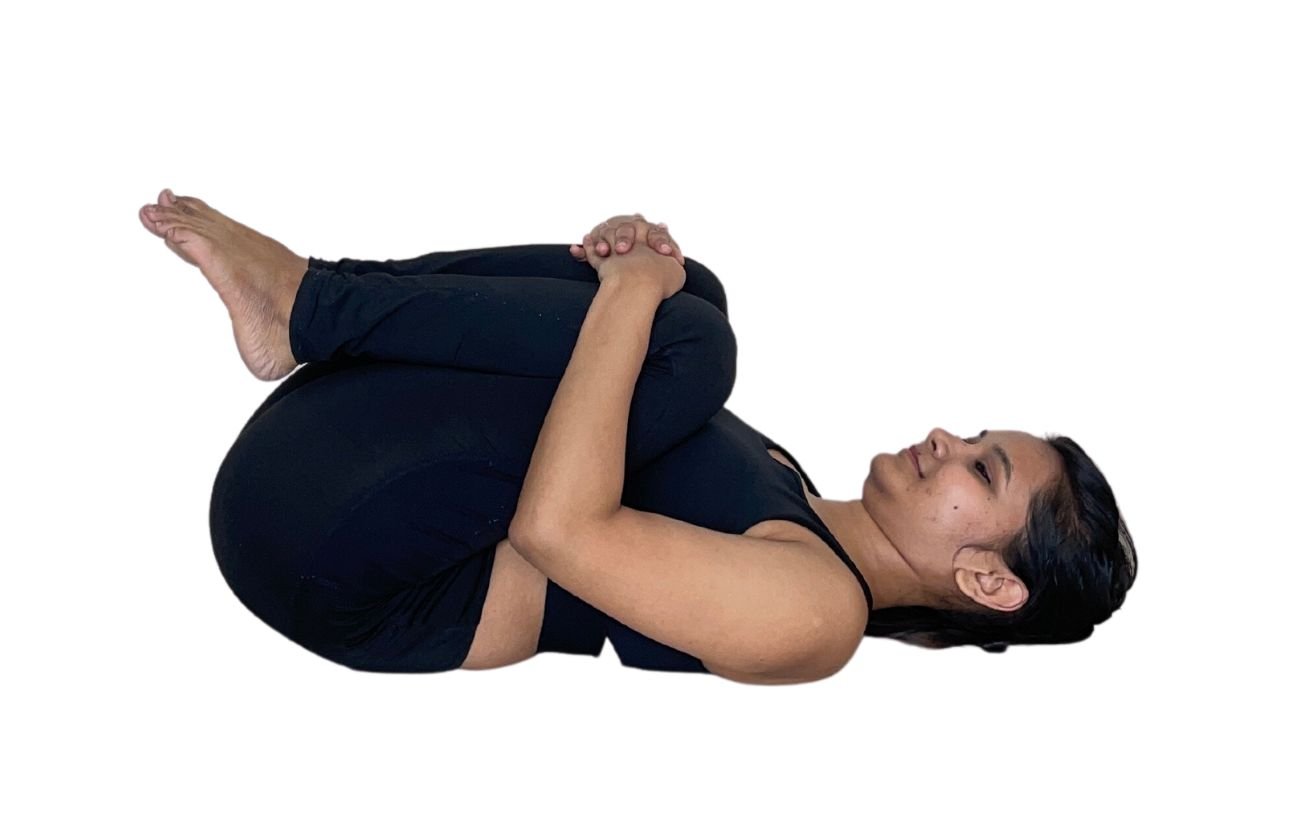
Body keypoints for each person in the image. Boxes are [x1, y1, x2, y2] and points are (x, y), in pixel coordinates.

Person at [139, 189, 1138, 683]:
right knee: (694, 300)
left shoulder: (818, 615)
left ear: (989, 581)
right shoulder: (787, 486)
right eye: (971, 434)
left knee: (688, 339)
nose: (942, 438)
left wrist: (630, 299)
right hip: (346, 469)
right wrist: (639, 277)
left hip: (336, 550)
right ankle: (309, 296)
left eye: (980, 465)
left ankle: (308, 301)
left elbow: (561, 531)